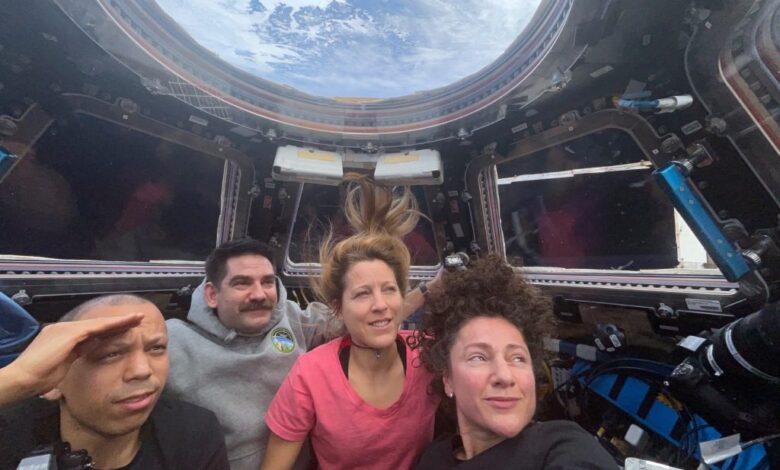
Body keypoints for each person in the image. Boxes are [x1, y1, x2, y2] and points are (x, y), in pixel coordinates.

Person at [166, 235, 432, 470]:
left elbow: (366, 320)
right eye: (241, 283)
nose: (258, 294)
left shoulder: (294, 320)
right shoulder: (173, 342)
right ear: (212, 295)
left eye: (267, 282)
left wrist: (427, 289)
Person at [261, 175, 439, 470]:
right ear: (338, 308)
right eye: (362, 294)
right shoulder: (312, 374)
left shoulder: (430, 356)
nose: (380, 305)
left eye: (389, 290)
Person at [411, 255, 617, 469]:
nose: (504, 375)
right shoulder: (434, 458)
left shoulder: (562, 447)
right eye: (479, 357)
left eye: (518, 358)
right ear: (448, 379)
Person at [0, 294, 229, 469]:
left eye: (156, 348)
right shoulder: (10, 435)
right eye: (110, 354)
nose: (142, 370)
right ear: (52, 381)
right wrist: (18, 377)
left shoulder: (193, 433)